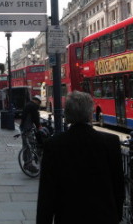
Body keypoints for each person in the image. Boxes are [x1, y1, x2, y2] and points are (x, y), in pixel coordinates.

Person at [36, 91, 124, 224]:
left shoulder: (54, 145)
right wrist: (116, 215)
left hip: (68, 217)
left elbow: (47, 193)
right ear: (90, 113)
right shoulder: (111, 142)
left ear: (67, 114)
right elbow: (118, 187)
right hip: (104, 216)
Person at [19, 95, 42, 173]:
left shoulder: (28, 105)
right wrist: (39, 126)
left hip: (23, 128)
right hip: (27, 128)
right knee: (29, 146)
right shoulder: (33, 106)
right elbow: (36, 118)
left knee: (25, 145)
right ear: (37, 101)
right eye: (39, 103)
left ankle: (26, 163)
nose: (38, 105)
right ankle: (29, 164)